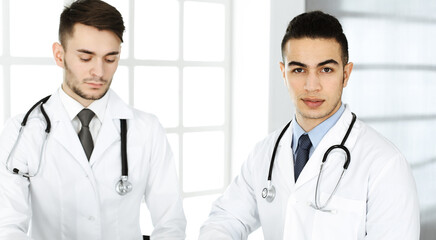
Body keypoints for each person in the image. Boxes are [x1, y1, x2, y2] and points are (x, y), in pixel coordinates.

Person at [199, 11, 419, 240]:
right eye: (299, 70)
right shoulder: (264, 153)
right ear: (283, 73)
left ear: (346, 74)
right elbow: (225, 219)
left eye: (326, 70)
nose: (311, 85)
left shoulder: (386, 165)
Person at [0, 0, 186, 239]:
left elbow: (171, 224)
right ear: (59, 55)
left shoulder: (147, 130)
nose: (99, 71)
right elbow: (7, 226)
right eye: (86, 58)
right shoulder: (20, 132)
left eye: (110, 59)